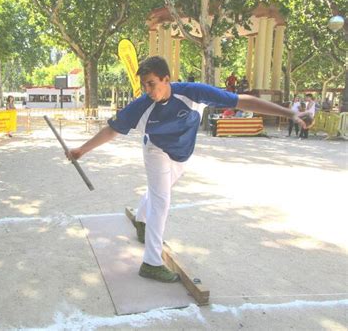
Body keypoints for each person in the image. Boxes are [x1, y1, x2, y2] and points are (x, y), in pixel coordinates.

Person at [66, 56, 306, 283]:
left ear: (166, 79)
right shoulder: (141, 106)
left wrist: (291, 114)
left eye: (151, 84)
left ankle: (141, 219)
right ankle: (151, 263)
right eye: (144, 85)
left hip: (181, 155)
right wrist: (81, 150)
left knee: (159, 191)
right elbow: (111, 131)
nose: (148, 90)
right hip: (156, 151)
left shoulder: (193, 92)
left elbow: (242, 101)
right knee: (161, 201)